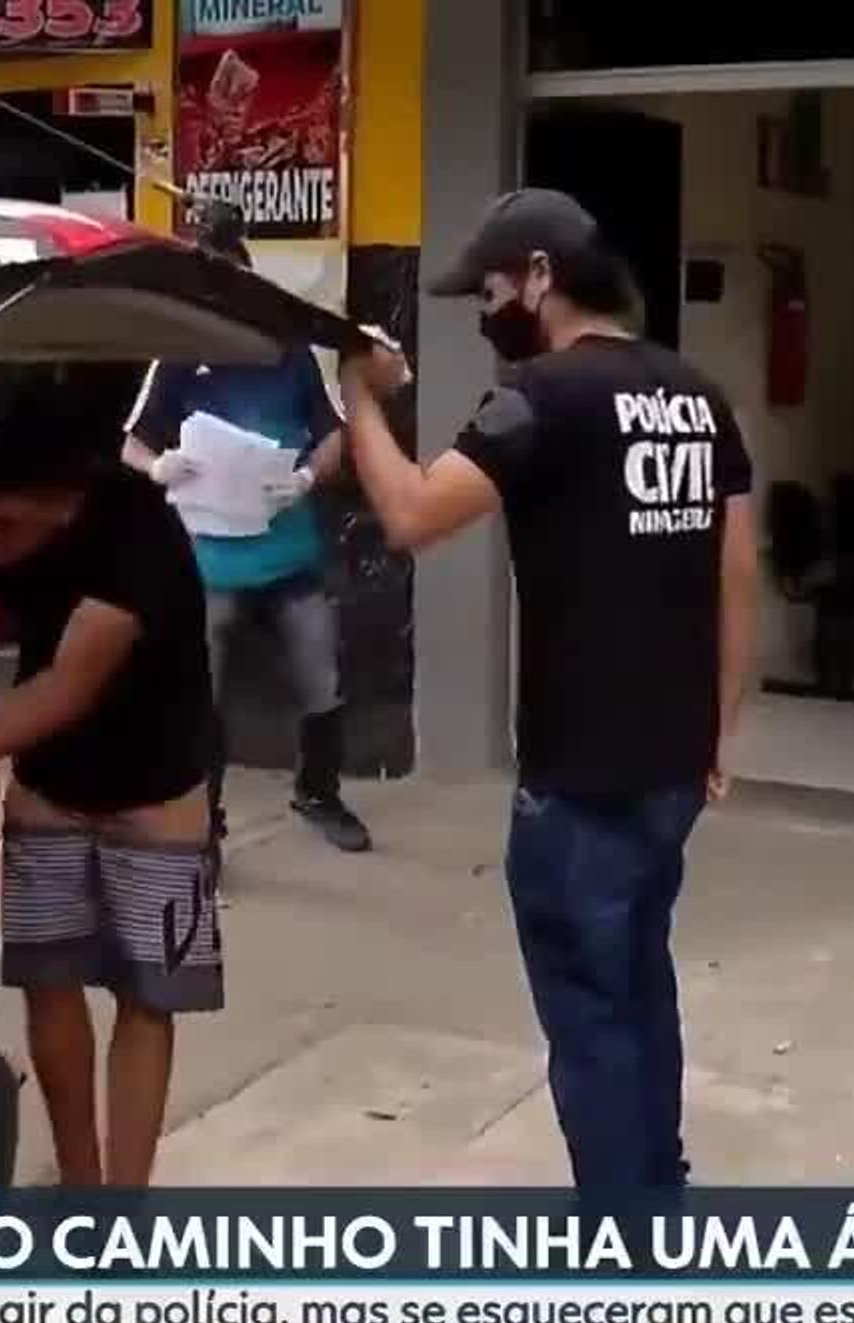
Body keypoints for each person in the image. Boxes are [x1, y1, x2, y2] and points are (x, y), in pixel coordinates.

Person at [335, 189, 762, 1191]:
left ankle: (622, 1227)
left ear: (539, 276)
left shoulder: (541, 397)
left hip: (579, 774)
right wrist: (719, 730)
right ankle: (657, 1189)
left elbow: (411, 514)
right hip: (671, 764)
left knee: (590, 1012)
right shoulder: (699, 397)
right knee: (639, 981)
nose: (487, 315)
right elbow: (737, 574)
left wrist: (358, 395)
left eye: (490, 293)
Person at [0, 384, 222, 1189]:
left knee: (146, 998)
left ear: (66, 504)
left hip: (158, 785)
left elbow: (65, 690)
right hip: (48, 783)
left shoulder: (137, 533)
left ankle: (126, 1204)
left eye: (2, 522)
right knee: (48, 983)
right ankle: (82, 1191)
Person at [121, 234, 372, 857]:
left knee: (322, 675)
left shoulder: (289, 353)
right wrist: (157, 467)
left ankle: (319, 792)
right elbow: (130, 442)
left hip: (288, 553)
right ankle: (204, 818)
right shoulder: (178, 359)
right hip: (211, 560)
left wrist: (308, 477)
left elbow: (335, 435)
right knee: (202, 692)